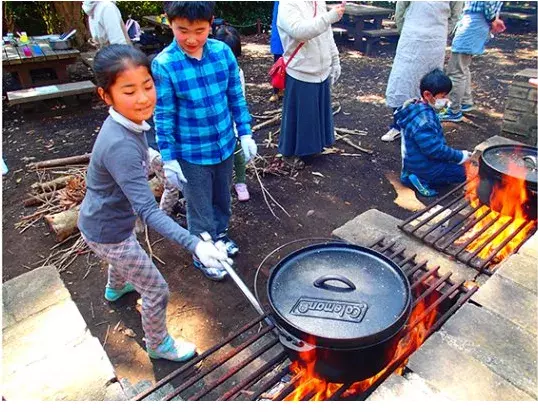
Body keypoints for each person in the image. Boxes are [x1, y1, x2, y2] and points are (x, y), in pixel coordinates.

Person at [78, 45, 229, 362]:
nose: (144, 98)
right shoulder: (120, 143)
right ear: (106, 96)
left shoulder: (124, 124)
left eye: (147, 86)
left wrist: (159, 161)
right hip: (108, 231)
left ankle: (116, 288)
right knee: (156, 289)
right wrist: (195, 244)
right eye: (129, 91)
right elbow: (147, 210)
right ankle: (158, 344)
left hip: (104, 221)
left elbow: (137, 153)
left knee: (126, 252)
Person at [151, 2, 255, 280]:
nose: (192, 38)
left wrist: (244, 131)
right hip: (191, 153)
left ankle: (219, 237)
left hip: (223, 144)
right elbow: (163, 115)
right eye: (182, 30)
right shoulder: (165, 64)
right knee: (198, 206)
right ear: (169, 23)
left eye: (200, 30)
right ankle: (203, 250)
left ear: (211, 23)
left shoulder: (222, 53)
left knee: (222, 197)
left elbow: (235, 96)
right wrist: (169, 158)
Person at [381, 1, 463, 142]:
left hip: (435, 42)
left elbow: (455, 15)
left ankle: (424, 126)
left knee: (431, 83)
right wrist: (404, 29)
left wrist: (441, 32)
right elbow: (401, 7)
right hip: (411, 37)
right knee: (401, 80)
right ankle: (398, 125)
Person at [277, 1, 345, 168]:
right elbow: (300, 32)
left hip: (320, 68)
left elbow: (327, 32)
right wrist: (330, 16)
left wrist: (335, 59)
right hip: (301, 69)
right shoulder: (287, 4)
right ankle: (290, 153)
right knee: (299, 115)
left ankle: (313, 147)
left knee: (315, 113)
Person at [395, 69, 471, 197]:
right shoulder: (425, 122)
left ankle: (411, 173)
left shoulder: (416, 107)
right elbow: (434, 150)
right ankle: (419, 179)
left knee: (454, 165)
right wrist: (460, 156)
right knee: (464, 173)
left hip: (414, 160)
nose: (446, 100)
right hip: (425, 166)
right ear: (428, 95)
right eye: (443, 96)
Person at [439, 1, 505, 122]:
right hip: (476, 23)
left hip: (473, 24)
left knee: (456, 70)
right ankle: (465, 102)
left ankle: (454, 110)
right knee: (463, 66)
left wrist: (492, 19)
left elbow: (488, 3)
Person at [214, 25, 251, 202]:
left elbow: (239, 97)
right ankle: (222, 184)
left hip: (231, 120)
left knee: (238, 152)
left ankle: (241, 182)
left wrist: (242, 130)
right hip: (215, 122)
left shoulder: (237, 72)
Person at [269, 1, 284, 103]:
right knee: (277, 65)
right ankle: (276, 91)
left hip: (293, 37)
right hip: (279, 36)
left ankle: (287, 90)